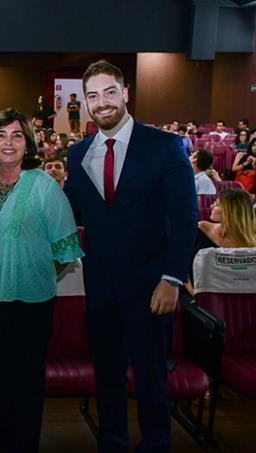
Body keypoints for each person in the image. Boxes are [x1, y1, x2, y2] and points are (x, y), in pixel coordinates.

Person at [63, 60, 197, 453]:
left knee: (152, 377)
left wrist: (173, 279)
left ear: (126, 93)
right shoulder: (79, 154)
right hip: (101, 288)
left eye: (109, 92)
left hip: (151, 288)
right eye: (92, 95)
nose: (101, 102)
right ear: (84, 102)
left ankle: (156, 445)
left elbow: (185, 218)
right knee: (107, 378)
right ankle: (112, 444)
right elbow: (68, 212)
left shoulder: (165, 146)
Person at [0, 108, 83, 452]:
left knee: (27, 382)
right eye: (1, 135)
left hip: (32, 303)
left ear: (28, 143)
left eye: (17, 135)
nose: (8, 142)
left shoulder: (44, 185)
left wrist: (30, 272)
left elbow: (65, 250)